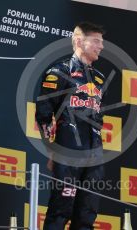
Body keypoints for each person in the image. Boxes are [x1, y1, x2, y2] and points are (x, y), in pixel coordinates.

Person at [35, 21, 106, 230]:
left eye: (101, 42)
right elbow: (44, 116)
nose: (101, 46)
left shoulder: (100, 79)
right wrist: (52, 151)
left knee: (87, 215)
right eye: (96, 41)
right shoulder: (58, 72)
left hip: (95, 155)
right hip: (68, 153)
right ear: (78, 41)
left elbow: (98, 119)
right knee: (60, 210)